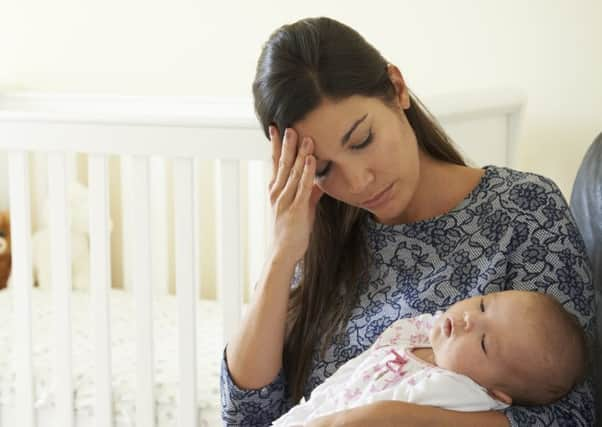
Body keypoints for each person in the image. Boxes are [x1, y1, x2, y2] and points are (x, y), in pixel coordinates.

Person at [221, 16, 596, 427]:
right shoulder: (318, 241)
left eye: (362, 140)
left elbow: (571, 415)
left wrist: (388, 417)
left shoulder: (523, 209)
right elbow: (246, 416)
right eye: (325, 169)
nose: (359, 181)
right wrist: (281, 255)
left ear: (397, 89)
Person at [271, 290, 588, 426]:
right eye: (482, 306)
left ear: (494, 393)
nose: (469, 321)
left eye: (484, 343)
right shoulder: (430, 333)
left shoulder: (457, 392)